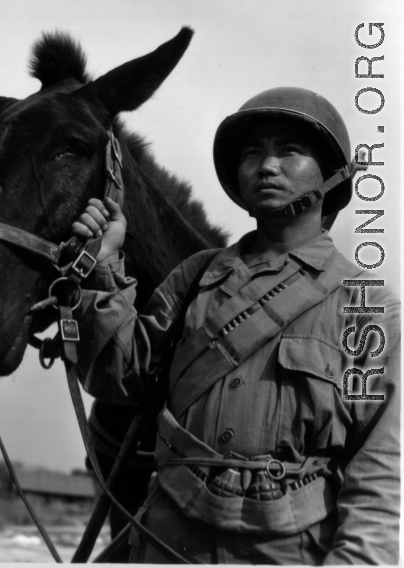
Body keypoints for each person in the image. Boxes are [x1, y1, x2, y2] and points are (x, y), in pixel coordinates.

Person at [71, 87, 400, 564]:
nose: (266, 166)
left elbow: (378, 473)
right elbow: (119, 376)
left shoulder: (367, 307)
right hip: (168, 544)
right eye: (252, 153)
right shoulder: (196, 277)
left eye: (288, 150)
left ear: (330, 173)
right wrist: (102, 270)